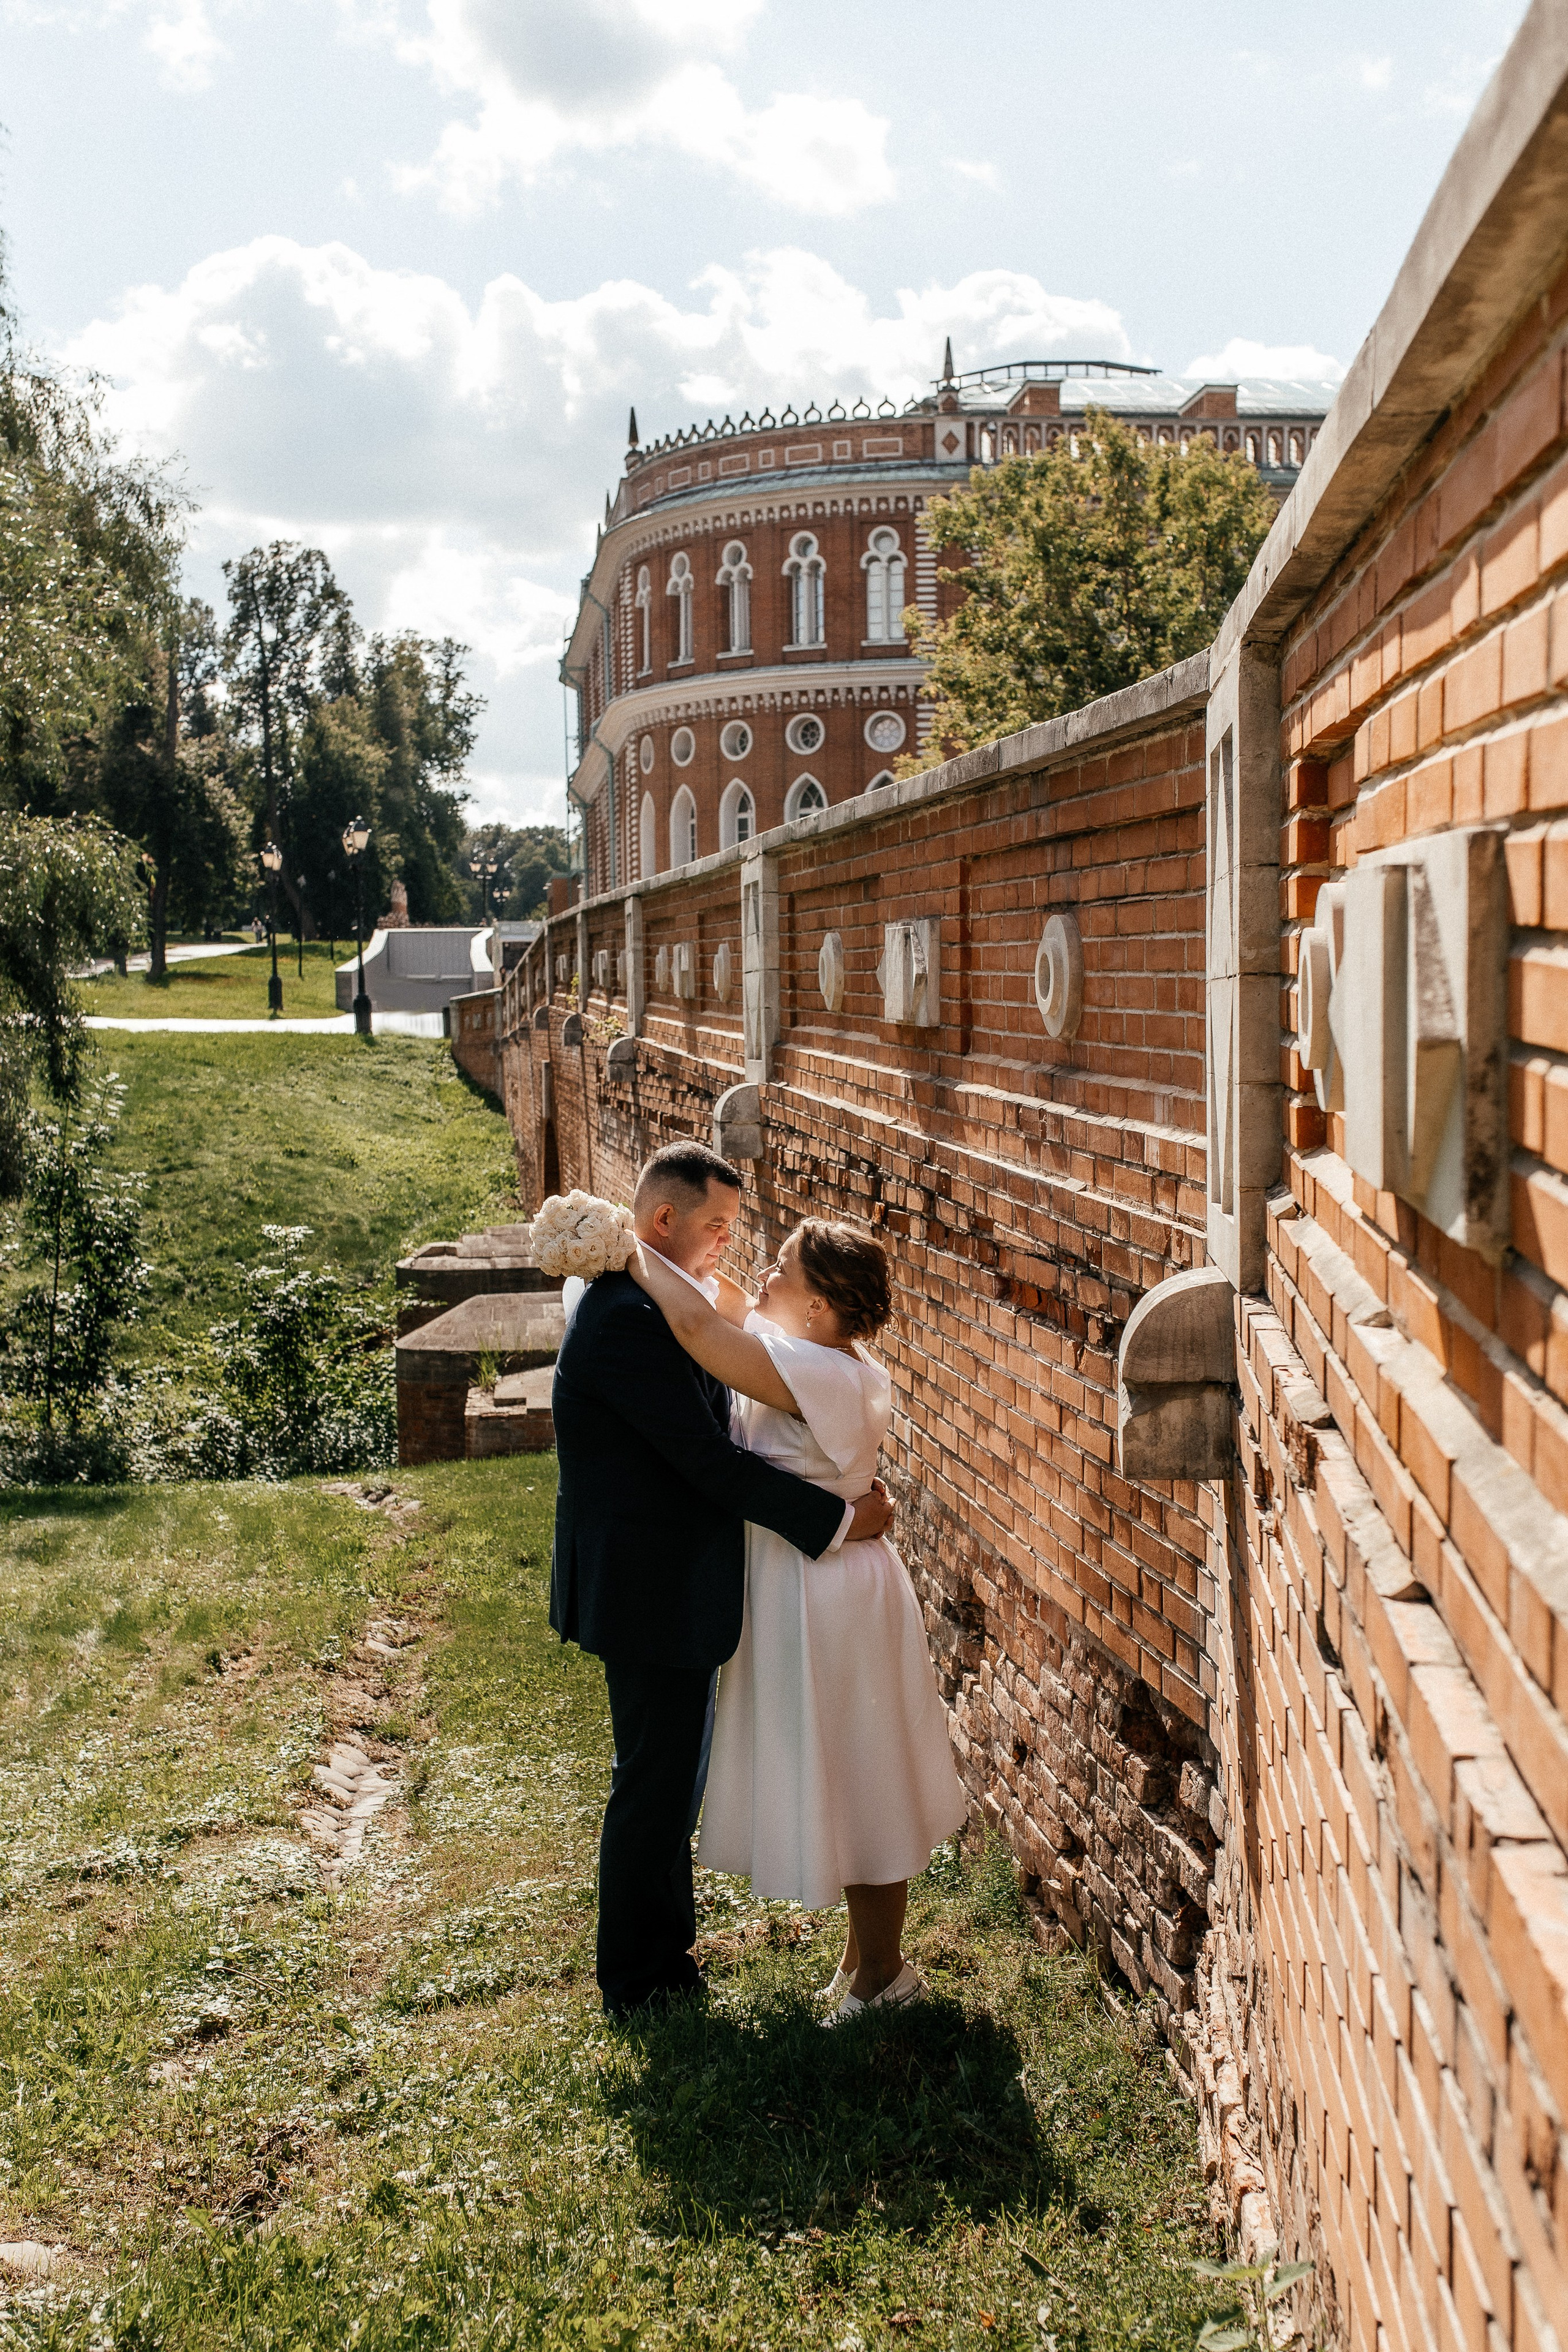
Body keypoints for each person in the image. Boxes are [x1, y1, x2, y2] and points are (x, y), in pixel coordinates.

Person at [549, 1144, 895, 2023]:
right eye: (717, 1228)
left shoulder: (651, 1295)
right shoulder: (630, 1313)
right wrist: (838, 1522)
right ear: (664, 1222)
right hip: (648, 1586)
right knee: (655, 1783)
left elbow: (724, 1318)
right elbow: (706, 1461)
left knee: (666, 1780)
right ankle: (640, 1983)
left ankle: (666, 1964)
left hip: (666, 1578)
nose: (729, 1248)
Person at [627, 1217, 968, 2020]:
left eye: (783, 1269)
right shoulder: (820, 1355)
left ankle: (886, 1977)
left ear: (819, 1309)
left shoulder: (812, 1372)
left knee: (864, 1775)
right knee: (853, 1771)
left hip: (832, 1596)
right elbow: (736, 1305)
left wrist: (619, 1241)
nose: (763, 1277)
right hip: (823, 1582)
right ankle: (863, 1963)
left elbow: (697, 1324)